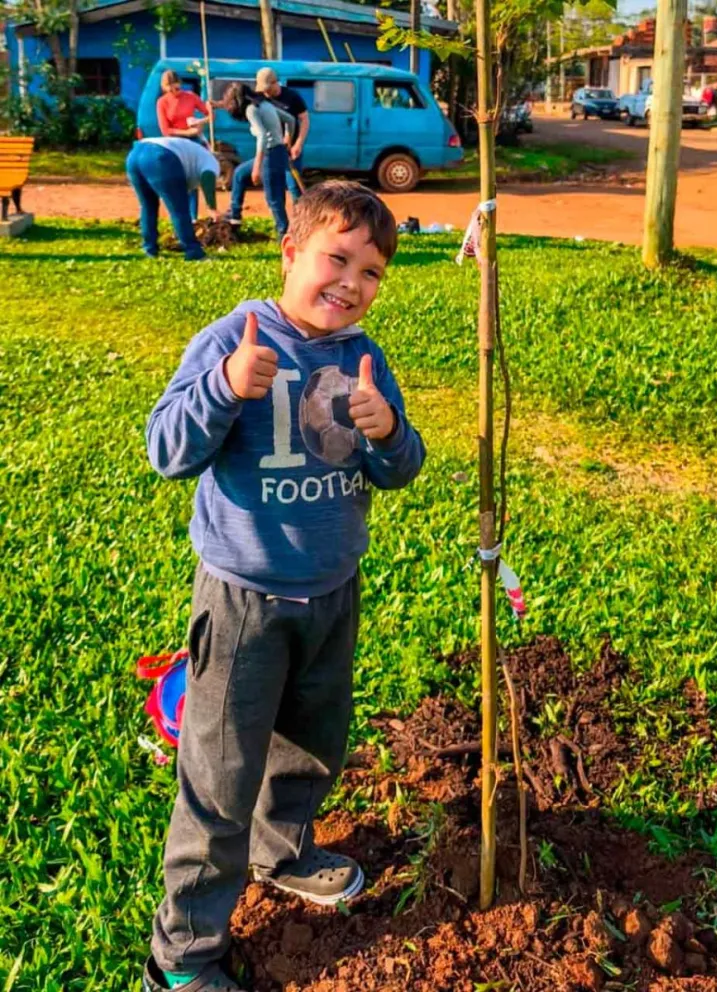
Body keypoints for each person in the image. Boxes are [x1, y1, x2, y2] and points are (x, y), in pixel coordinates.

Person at [141, 180, 426, 992]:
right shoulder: (234, 336)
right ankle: (185, 950)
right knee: (220, 777)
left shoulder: (362, 359)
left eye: (371, 272)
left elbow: (401, 468)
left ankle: (283, 850)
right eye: (337, 258)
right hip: (244, 603)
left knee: (311, 743)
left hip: (333, 593)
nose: (352, 282)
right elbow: (167, 450)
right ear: (291, 250)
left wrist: (388, 430)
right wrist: (228, 384)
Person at [126, 136, 219, 261]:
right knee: (179, 210)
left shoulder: (193, 154)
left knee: (147, 206)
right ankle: (193, 252)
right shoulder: (212, 161)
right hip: (161, 157)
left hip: (134, 155)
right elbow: (208, 176)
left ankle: (149, 249)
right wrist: (212, 207)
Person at [220, 82, 295, 238]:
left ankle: (284, 234)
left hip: (270, 154)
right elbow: (290, 119)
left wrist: (256, 167)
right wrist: (288, 138)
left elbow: (261, 136)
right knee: (239, 173)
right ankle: (234, 215)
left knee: (273, 199)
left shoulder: (251, 110)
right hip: (278, 150)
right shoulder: (265, 104)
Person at [157, 70, 213, 220]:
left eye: (177, 88)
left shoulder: (190, 97)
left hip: (193, 141)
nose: (175, 91)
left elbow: (209, 114)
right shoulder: (162, 102)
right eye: (170, 89)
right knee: (177, 179)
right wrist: (186, 133)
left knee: (193, 179)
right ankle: (178, 216)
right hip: (174, 142)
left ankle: (193, 217)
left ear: (180, 84)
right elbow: (165, 130)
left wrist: (200, 123)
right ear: (164, 88)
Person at [255, 67, 310, 203]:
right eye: (263, 89)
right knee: (275, 187)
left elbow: (304, 120)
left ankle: (301, 218)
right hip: (272, 148)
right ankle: (281, 221)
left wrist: (298, 144)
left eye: (268, 88)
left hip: (291, 149)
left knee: (294, 185)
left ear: (275, 83)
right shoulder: (261, 99)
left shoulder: (292, 96)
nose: (265, 92)